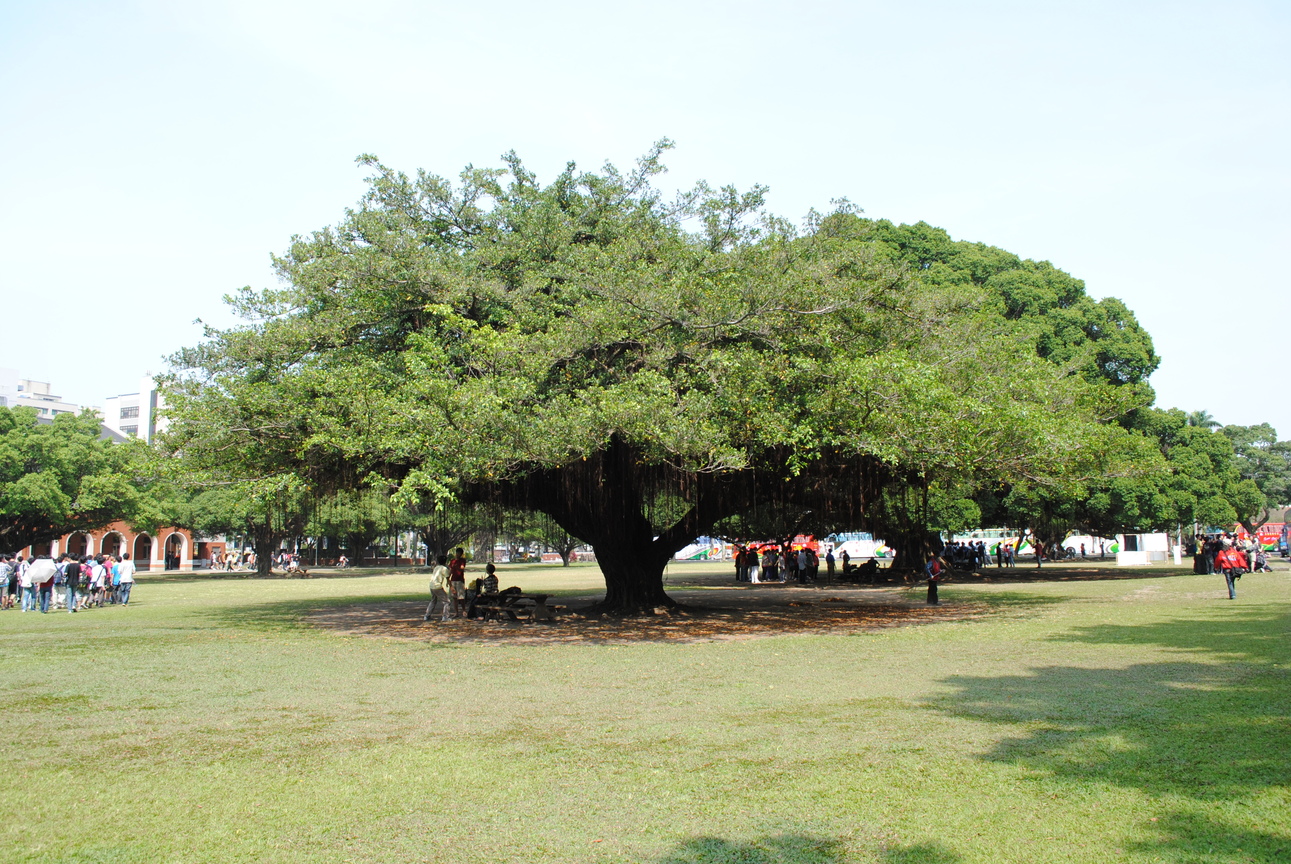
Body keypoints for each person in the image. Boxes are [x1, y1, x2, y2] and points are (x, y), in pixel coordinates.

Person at [425, 555, 454, 621]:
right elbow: (448, 578)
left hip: (432, 585)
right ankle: (445, 617)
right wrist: (451, 587)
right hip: (437, 586)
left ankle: (427, 615)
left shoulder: (436, 567)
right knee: (447, 601)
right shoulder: (444, 569)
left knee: (433, 600)